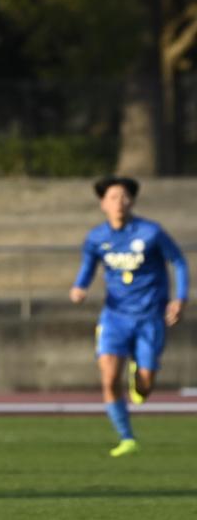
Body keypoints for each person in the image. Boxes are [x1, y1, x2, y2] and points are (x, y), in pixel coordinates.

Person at [70, 176, 187, 457]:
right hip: (114, 317)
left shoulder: (150, 232)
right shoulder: (97, 237)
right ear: (103, 204)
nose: (119, 202)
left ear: (132, 201)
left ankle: (141, 373)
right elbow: (88, 265)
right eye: (112, 197)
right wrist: (80, 286)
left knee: (144, 387)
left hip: (150, 317)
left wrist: (180, 299)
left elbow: (178, 261)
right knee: (109, 378)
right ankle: (127, 438)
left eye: (124, 197)